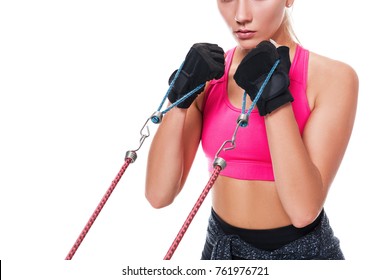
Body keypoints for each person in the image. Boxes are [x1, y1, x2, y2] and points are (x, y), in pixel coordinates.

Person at [145, 0, 358, 260]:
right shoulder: (210, 76)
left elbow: (303, 211)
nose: (241, 15)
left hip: (300, 254)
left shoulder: (334, 78)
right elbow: (158, 195)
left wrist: (276, 100)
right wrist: (178, 98)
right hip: (221, 250)